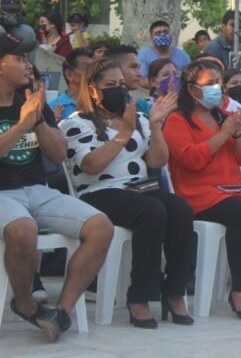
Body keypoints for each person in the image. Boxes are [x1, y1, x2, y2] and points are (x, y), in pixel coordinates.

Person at [59, 58, 194, 328]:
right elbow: (92, 165)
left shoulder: (136, 117)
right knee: (152, 211)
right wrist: (124, 132)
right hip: (99, 192)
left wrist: (155, 125)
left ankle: (174, 290)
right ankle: (140, 296)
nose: (118, 90)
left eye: (121, 84)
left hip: (138, 189)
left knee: (180, 208)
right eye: (110, 85)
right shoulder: (76, 123)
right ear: (93, 89)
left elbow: (157, 161)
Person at [0, 36, 112, 342]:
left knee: (100, 226)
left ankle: (62, 311)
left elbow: (58, 154)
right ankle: (25, 303)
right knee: (23, 230)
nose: (28, 65)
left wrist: (37, 121)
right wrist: (21, 126)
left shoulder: (32, 104)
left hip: (37, 188)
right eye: (19, 59)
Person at [164, 60, 241, 320]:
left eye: (218, 82)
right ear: (192, 89)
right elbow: (192, 160)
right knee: (240, 214)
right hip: (197, 191)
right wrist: (222, 134)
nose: (217, 88)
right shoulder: (177, 120)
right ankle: (238, 288)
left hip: (231, 187)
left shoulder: (224, 117)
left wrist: (236, 134)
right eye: (209, 84)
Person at [137, 20, 190, 89]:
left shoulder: (183, 55)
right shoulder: (144, 55)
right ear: (151, 37)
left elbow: (190, 77)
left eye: (166, 32)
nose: (162, 35)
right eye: (158, 33)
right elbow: (142, 80)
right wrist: (163, 87)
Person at [105, 44, 152, 116]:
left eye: (139, 67)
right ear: (114, 67)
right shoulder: (101, 107)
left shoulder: (141, 105)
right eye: (133, 67)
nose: (140, 74)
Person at [50, 48, 93, 121]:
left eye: (94, 68)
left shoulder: (99, 103)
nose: (93, 73)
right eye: (87, 69)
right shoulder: (52, 108)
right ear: (69, 75)